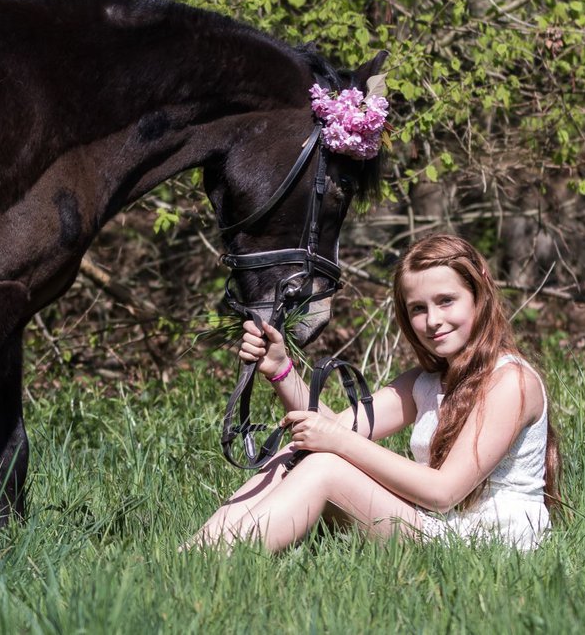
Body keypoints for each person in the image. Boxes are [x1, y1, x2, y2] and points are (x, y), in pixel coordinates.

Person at [189, 234, 561, 552]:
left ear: (479, 292)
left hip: (490, 545)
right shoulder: (426, 381)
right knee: (298, 451)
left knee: (325, 464)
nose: (432, 321)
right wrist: (280, 368)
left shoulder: (510, 381)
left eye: (446, 300)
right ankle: (195, 551)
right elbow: (334, 428)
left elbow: (444, 491)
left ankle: (218, 560)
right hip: (439, 527)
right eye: (418, 308)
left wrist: (333, 441)